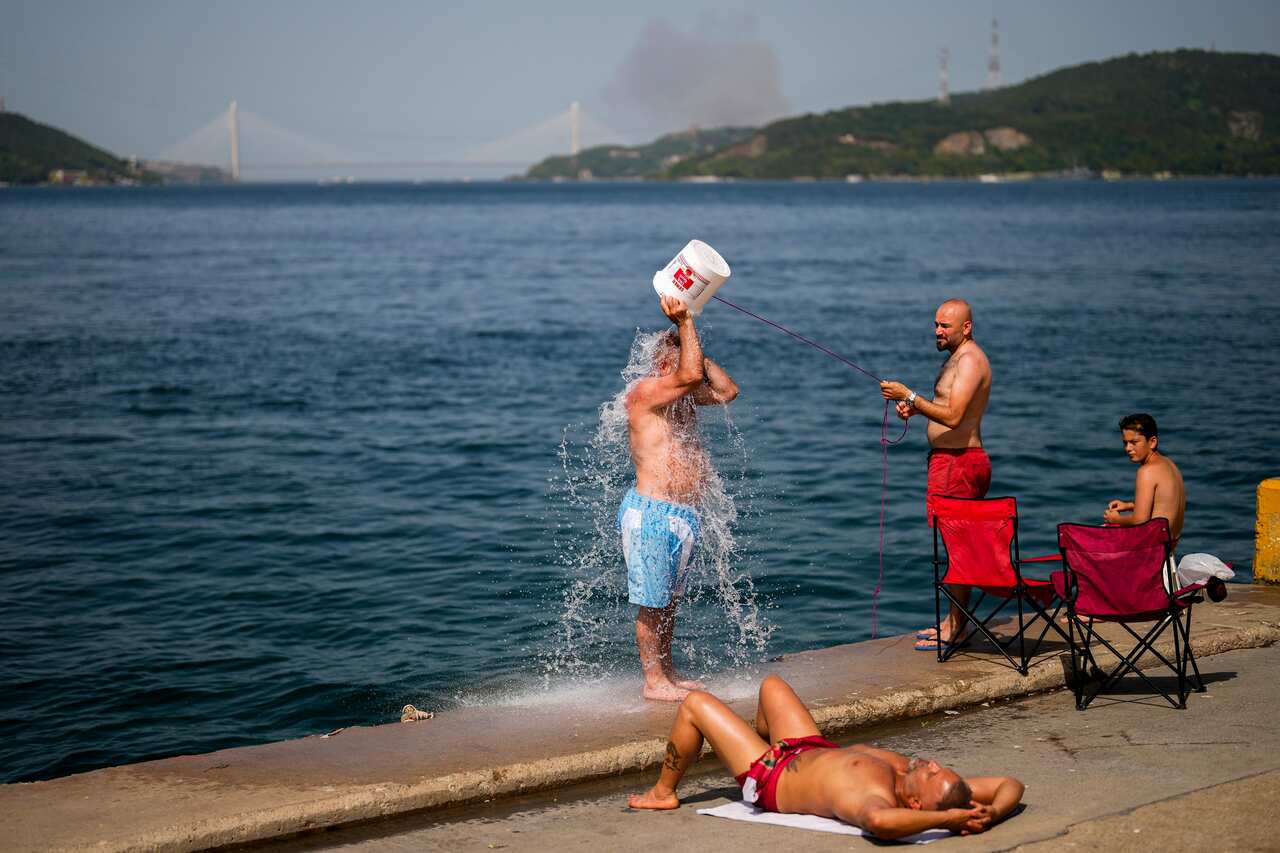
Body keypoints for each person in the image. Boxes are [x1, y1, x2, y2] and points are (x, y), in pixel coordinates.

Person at [628, 674, 1024, 840]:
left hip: (773, 778)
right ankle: (752, 743)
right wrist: (992, 813)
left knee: (695, 704)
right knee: (772, 685)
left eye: (933, 774)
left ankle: (664, 792)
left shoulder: (880, 800)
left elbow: (879, 823)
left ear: (918, 803)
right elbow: (1011, 785)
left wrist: (948, 820)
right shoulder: (915, 775)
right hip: (808, 748)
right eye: (939, 767)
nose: (932, 764)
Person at [620, 294, 739, 701]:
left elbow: (727, 390)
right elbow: (688, 377)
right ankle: (653, 681)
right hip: (651, 514)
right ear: (660, 365)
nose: (690, 371)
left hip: (681, 515)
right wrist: (686, 323)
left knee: (668, 603)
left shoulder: (684, 396)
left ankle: (667, 673)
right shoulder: (645, 393)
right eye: (678, 362)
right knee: (652, 604)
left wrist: (695, 349)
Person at [879, 299, 992, 651]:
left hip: (959, 463)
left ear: (967, 327)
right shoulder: (957, 358)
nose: (937, 331)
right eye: (936, 324)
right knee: (952, 545)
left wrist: (909, 395)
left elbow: (956, 416)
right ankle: (953, 620)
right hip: (948, 461)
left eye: (945, 326)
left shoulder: (971, 360)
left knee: (958, 547)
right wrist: (915, 410)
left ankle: (957, 626)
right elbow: (945, 409)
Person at [1104, 412, 1185, 545]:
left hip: (1153, 554)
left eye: (1134, 442)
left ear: (1152, 442)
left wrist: (1116, 520)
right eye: (1125, 443)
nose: (1128, 448)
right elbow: (1165, 505)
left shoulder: (1146, 471)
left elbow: (1140, 521)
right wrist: (1129, 506)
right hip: (1169, 549)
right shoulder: (1169, 464)